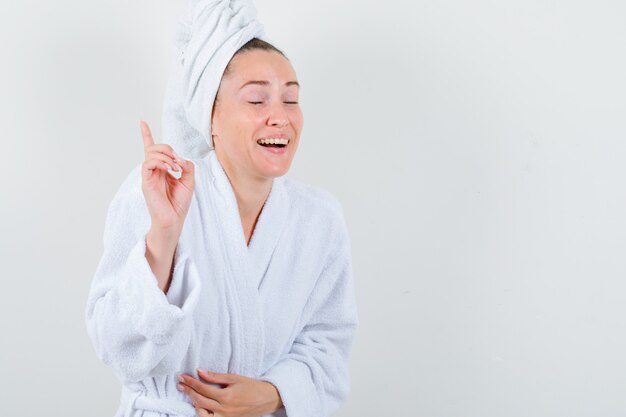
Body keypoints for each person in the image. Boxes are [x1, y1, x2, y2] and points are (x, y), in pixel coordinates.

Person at [85, 32, 358, 417]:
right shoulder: (156, 191)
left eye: (291, 99)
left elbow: (329, 342)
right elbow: (117, 348)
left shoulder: (319, 218)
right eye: (256, 99)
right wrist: (163, 235)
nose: (280, 116)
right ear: (209, 116)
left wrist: (275, 392)